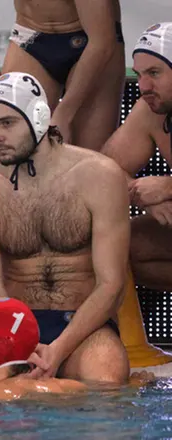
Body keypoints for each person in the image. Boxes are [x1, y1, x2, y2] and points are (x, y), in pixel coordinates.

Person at [0, 71, 131, 384]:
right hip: (10, 328)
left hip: (83, 325)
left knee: (107, 377)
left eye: (7, 123)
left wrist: (58, 349)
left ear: (39, 119)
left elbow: (111, 286)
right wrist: (19, 344)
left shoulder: (100, 176)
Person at [0, 0, 124, 151]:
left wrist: (64, 114)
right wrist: (2, 101)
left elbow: (101, 40)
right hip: (31, 36)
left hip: (92, 39)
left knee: (89, 164)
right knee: (19, 150)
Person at [101, 23, 172, 368]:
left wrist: (168, 187)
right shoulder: (150, 111)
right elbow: (103, 169)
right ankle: (134, 347)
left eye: (155, 73)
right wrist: (144, 195)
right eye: (139, 74)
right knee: (118, 244)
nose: (143, 86)